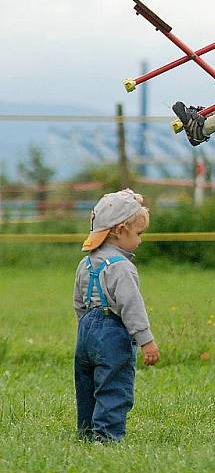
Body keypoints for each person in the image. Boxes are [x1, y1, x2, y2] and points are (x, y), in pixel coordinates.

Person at [73, 189, 160, 441]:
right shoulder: (122, 267)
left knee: (87, 386)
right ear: (120, 230)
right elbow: (131, 306)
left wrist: (85, 327)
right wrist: (146, 341)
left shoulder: (86, 263)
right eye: (138, 234)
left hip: (86, 331)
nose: (140, 240)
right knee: (113, 385)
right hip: (112, 332)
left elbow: (78, 302)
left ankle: (87, 433)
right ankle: (107, 437)